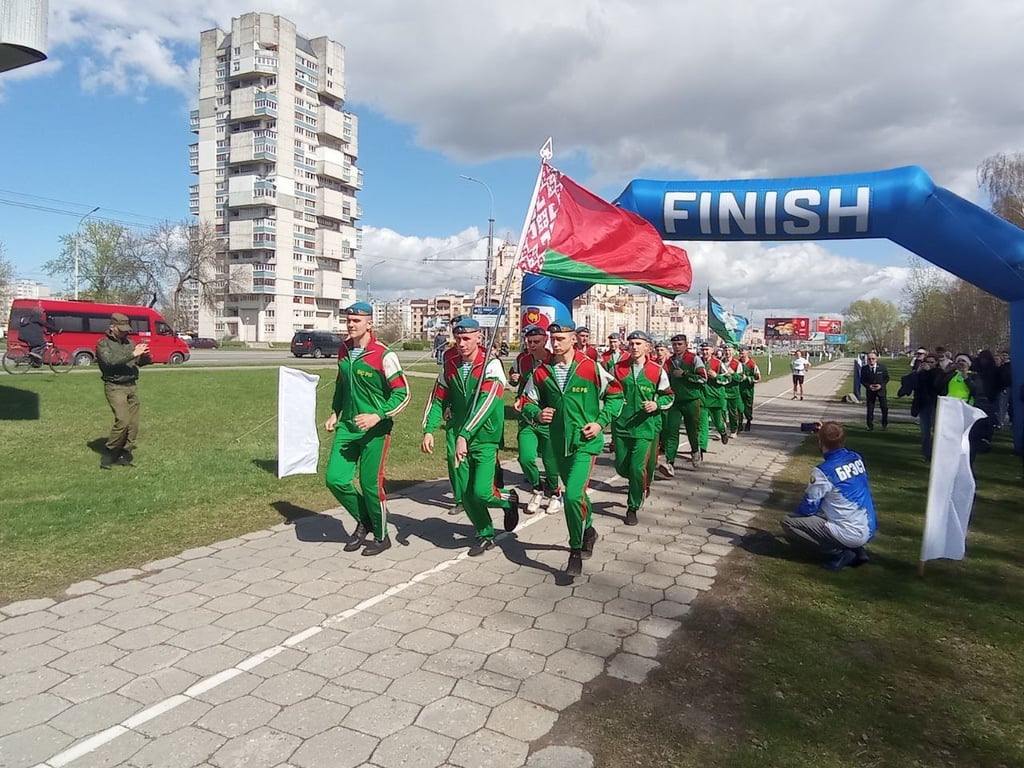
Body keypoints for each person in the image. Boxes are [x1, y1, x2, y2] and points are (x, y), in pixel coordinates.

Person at [522, 319, 623, 576]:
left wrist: (600, 423)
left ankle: (575, 551)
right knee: (579, 496)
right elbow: (526, 401)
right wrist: (537, 413)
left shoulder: (590, 367)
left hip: (585, 444)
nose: (555, 344)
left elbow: (615, 395)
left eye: (561, 339)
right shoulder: (542, 372)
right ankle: (588, 529)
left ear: (574, 339)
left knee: (574, 495)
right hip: (557, 445)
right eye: (552, 339)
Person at [422, 317, 520, 556]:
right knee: (465, 494)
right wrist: (428, 429)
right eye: (458, 338)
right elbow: (438, 397)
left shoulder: (491, 365)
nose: (462, 343)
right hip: (457, 434)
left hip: (484, 437)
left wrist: (466, 434)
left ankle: (508, 500)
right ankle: (485, 533)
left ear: (479, 337)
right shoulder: (451, 363)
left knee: (482, 492)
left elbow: (487, 402)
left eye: (467, 338)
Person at [325, 302, 411, 556]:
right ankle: (365, 521)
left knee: (370, 484)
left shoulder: (383, 355)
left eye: (357, 321)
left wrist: (378, 415)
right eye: (348, 320)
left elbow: (403, 393)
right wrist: (334, 412)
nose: (351, 325)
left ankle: (382, 536)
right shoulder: (344, 351)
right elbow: (341, 385)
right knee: (335, 479)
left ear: (369, 324)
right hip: (348, 427)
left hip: (375, 430)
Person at [781, 421, 878, 571]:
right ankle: (857, 548)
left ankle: (840, 552)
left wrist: (799, 515)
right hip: (868, 526)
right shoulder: (856, 458)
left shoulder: (822, 472)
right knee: (831, 506)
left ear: (820, 442)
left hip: (849, 531)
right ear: (843, 440)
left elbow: (808, 508)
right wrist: (829, 430)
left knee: (788, 522)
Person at [611, 330, 673, 526]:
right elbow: (607, 392)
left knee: (637, 468)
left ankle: (633, 505)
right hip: (621, 426)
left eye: (639, 343)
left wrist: (656, 405)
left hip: (645, 428)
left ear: (648, 347)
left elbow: (669, 395)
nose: (634, 347)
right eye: (632, 343)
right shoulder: (618, 368)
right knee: (622, 467)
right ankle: (641, 483)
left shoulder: (657, 370)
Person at [509, 325, 561, 515]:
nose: (531, 345)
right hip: (528, 416)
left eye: (536, 342)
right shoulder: (522, 359)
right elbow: (514, 379)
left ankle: (555, 493)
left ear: (545, 341)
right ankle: (537, 489)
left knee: (550, 461)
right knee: (526, 457)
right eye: (529, 342)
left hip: (549, 418)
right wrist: (514, 379)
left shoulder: (554, 360)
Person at [96, 312, 150, 469]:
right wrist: (133, 353)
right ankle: (109, 452)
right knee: (123, 420)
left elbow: (140, 362)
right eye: (122, 329)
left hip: (131, 385)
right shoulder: (103, 344)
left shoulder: (130, 343)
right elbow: (110, 362)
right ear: (112, 327)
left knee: (133, 424)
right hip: (115, 386)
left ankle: (125, 453)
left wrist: (145, 356)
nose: (125, 332)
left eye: (127, 329)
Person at [659, 334, 707, 475]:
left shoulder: (694, 359)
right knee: (671, 432)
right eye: (674, 345)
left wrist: (685, 374)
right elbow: (664, 379)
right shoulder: (669, 362)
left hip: (691, 400)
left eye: (680, 344)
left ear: (686, 344)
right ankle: (670, 462)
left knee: (692, 429)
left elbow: (703, 378)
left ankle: (695, 450)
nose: (677, 347)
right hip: (674, 402)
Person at [898, 353, 942, 460]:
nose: (929, 365)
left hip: (935, 405)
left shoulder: (938, 373)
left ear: (936, 363)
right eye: (927, 362)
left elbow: (936, 384)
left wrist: (929, 371)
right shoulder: (919, 374)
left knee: (937, 431)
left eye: (932, 362)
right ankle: (927, 454)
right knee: (925, 431)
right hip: (922, 405)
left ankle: (937, 454)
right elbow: (907, 382)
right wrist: (918, 372)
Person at [698, 342, 730, 449]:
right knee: (702, 426)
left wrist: (717, 377)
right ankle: (702, 449)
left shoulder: (718, 363)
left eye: (707, 349)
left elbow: (728, 378)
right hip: (702, 398)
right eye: (703, 349)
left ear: (712, 350)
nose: (705, 352)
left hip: (715, 398)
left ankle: (723, 431)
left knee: (718, 423)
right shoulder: (698, 362)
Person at [860, 352, 890, 431]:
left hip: (881, 391)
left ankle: (884, 424)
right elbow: (862, 380)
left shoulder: (882, 367)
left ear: (876, 359)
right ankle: (870, 425)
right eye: (869, 359)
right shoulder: (864, 369)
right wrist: (868, 386)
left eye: (873, 359)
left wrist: (881, 385)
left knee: (884, 408)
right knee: (870, 408)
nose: (871, 360)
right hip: (870, 391)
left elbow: (886, 378)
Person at [722, 345, 744, 437]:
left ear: (733, 352)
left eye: (729, 350)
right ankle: (722, 430)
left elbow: (740, 378)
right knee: (722, 411)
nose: (727, 352)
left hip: (733, 391)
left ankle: (733, 430)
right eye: (726, 350)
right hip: (722, 390)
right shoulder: (720, 362)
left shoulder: (737, 363)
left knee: (732, 412)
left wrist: (733, 373)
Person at [737, 347, 761, 431]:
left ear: (747, 352)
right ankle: (739, 423)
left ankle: (748, 420)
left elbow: (758, 377)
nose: (741, 353)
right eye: (740, 352)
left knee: (747, 407)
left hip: (748, 390)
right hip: (738, 389)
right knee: (739, 407)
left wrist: (748, 378)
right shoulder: (737, 363)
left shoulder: (752, 364)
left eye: (742, 352)